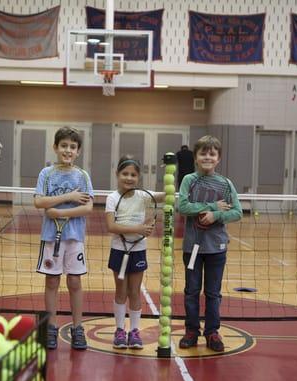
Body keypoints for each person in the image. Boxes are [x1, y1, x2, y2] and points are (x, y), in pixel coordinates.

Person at [178, 135, 242, 352]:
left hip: (217, 248)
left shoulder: (226, 184)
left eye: (212, 153)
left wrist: (216, 216)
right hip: (192, 247)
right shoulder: (189, 180)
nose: (207, 157)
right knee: (191, 291)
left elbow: (237, 212)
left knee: (213, 293)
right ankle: (192, 330)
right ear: (196, 157)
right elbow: (183, 207)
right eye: (203, 153)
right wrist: (214, 206)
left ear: (218, 158)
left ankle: (212, 332)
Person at [34, 127, 94, 350]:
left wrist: (60, 213)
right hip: (51, 237)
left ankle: (78, 328)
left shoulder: (83, 176)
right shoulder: (46, 173)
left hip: (74, 237)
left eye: (72, 147)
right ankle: (51, 327)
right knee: (51, 281)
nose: (68, 150)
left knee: (75, 282)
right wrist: (69, 197)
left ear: (78, 151)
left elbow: (88, 207)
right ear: (55, 148)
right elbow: (39, 202)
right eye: (64, 146)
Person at [105, 156, 165, 349]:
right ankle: (120, 330)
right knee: (121, 291)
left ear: (138, 177)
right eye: (125, 174)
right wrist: (138, 229)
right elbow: (111, 226)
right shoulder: (112, 198)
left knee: (135, 291)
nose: (129, 178)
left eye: (133, 175)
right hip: (119, 251)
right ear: (117, 174)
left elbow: (166, 195)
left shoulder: (142, 195)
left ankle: (135, 331)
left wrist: (175, 177)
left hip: (138, 251)